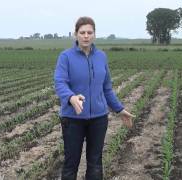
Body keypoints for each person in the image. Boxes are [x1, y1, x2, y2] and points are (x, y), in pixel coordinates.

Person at [54, 16, 135, 180]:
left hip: (98, 118)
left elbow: (106, 88)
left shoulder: (101, 57)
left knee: (95, 163)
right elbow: (60, 82)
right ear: (75, 34)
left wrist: (119, 109)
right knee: (71, 163)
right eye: (82, 32)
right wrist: (71, 98)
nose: (86, 36)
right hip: (72, 118)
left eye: (89, 32)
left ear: (94, 35)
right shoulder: (66, 57)